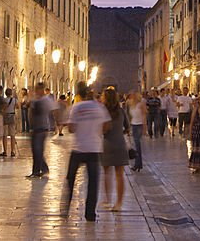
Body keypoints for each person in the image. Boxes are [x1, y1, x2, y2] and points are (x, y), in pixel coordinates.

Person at [61, 89, 111, 222]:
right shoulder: (101, 108)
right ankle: (90, 214)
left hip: (78, 148)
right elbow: (107, 125)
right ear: (94, 97)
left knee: (70, 179)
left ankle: (65, 209)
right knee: (93, 182)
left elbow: (71, 128)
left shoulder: (77, 107)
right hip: (94, 149)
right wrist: (96, 130)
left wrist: (81, 127)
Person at [100, 88, 129, 212]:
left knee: (106, 174)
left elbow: (102, 129)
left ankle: (107, 200)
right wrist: (119, 133)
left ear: (105, 98)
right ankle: (119, 203)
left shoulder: (102, 112)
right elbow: (127, 128)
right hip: (120, 144)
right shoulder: (121, 111)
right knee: (119, 175)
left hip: (106, 144)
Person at [26, 84, 56, 178]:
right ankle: (41, 169)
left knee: (38, 150)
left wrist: (54, 125)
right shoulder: (36, 100)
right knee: (36, 150)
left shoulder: (46, 100)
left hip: (42, 128)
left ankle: (39, 171)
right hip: (35, 127)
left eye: (37, 89)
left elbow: (53, 112)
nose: (36, 91)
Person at [3, 88, 18, 157]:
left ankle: (5, 151)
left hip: (5, 116)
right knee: (12, 135)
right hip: (12, 115)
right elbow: (17, 107)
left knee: (5, 135)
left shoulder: (4, 100)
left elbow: (3, 108)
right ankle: (12, 151)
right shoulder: (14, 100)